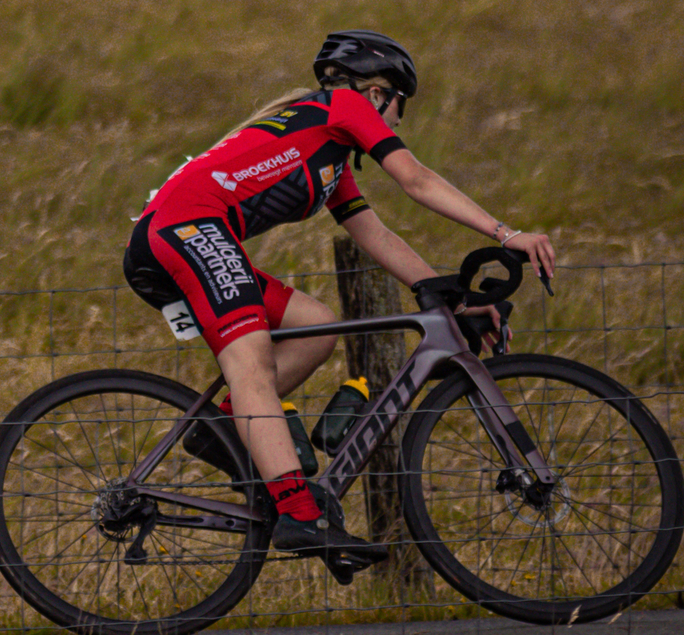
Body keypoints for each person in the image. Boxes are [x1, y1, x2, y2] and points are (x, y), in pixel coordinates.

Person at [123, 29, 557, 566]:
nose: (397, 122)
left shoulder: (329, 158)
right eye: (401, 108)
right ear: (380, 94)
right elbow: (416, 180)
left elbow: (376, 235)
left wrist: (447, 300)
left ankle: (230, 428)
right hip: (187, 233)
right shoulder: (344, 105)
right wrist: (506, 233)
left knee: (318, 324)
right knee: (252, 363)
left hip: (185, 235)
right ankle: (300, 515)